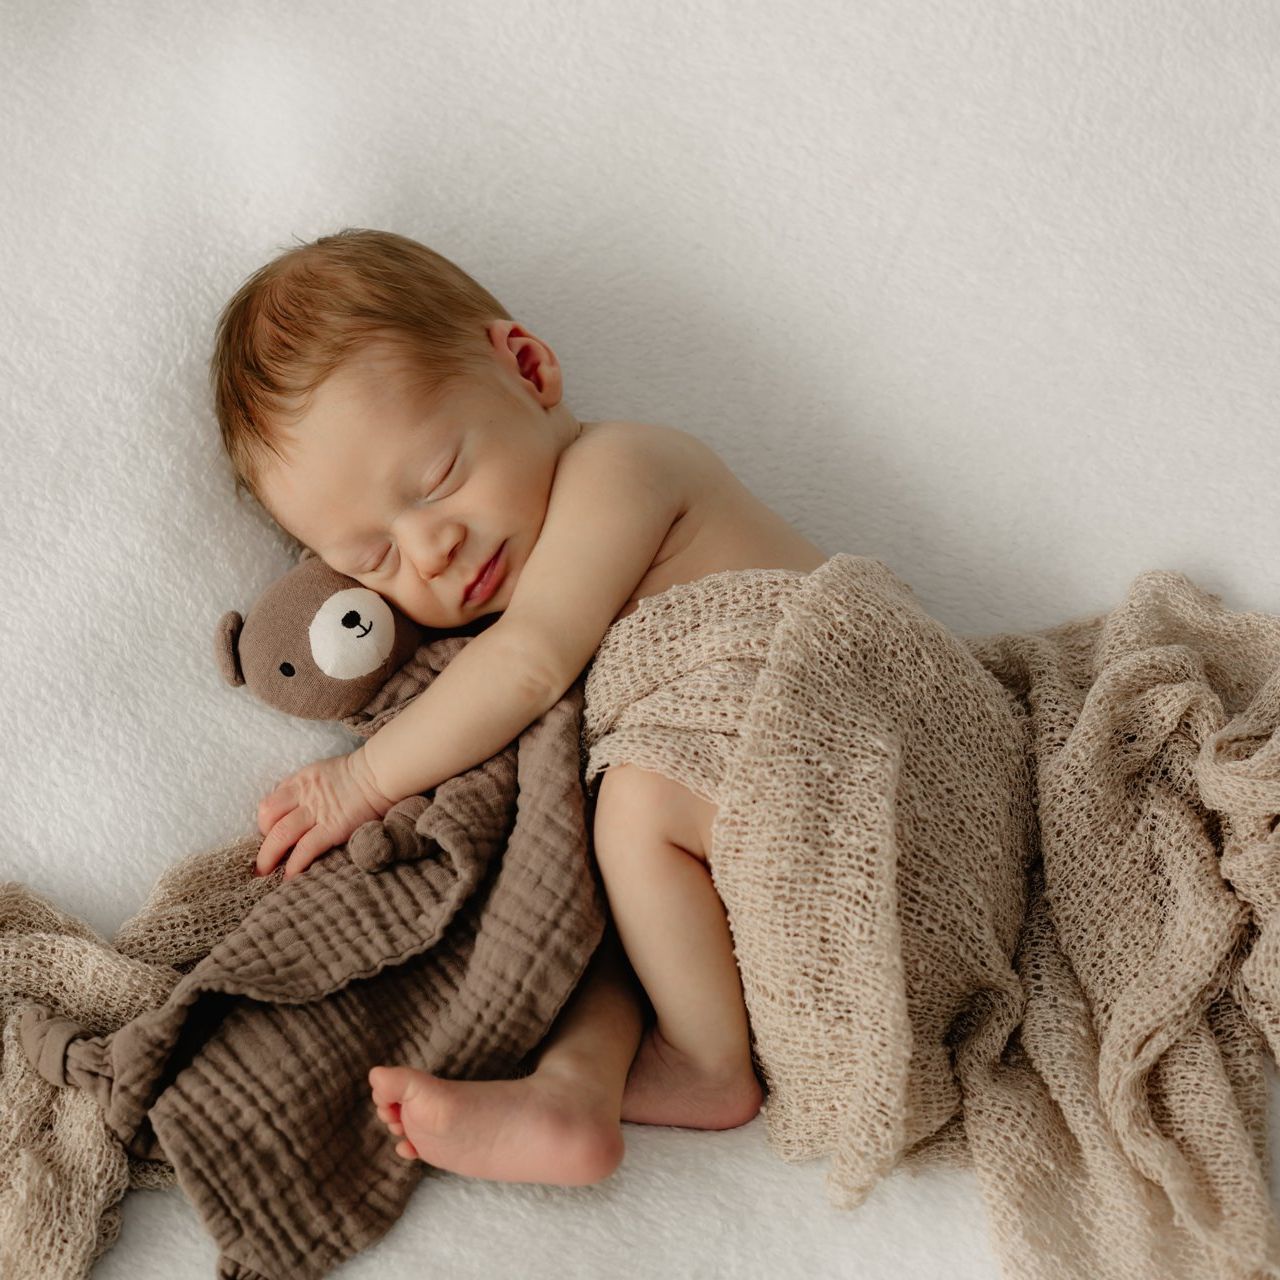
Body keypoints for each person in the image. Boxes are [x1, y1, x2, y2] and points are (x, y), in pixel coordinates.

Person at [209, 227, 828, 1186]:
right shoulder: (492, 595)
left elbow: (529, 663)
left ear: (528, 370)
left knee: (638, 802)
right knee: (586, 902)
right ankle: (573, 1092)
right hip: (744, 829)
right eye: (375, 558)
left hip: (831, 738)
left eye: (437, 480)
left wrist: (360, 781)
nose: (431, 551)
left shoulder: (622, 467)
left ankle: (709, 1068)